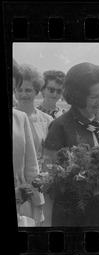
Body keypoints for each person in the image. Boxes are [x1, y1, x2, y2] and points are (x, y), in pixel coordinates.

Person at [43, 62, 99, 226]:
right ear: (77, 96)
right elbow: (48, 181)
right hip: (71, 217)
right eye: (93, 97)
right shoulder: (60, 126)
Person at [12, 59, 45, 226]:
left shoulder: (20, 118)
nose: (22, 94)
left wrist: (38, 204)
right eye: (19, 89)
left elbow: (32, 166)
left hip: (20, 199)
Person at [14, 64, 53, 167]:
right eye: (19, 90)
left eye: (28, 90)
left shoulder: (47, 120)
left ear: (36, 92)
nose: (23, 94)